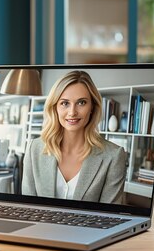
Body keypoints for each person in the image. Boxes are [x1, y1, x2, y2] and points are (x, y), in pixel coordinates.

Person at [22, 70, 126, 204]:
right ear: (55, 107)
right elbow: (28, 206)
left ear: (92, 108)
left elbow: (111, 217)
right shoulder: (34, 148)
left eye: (81, 102)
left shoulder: (114, 156)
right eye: (65, 103)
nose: (72, 112)